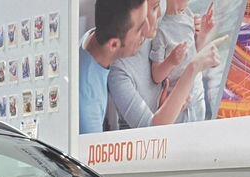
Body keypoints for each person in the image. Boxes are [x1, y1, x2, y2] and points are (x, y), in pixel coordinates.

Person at [109, 0, 220, 129]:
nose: (160, 12)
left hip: (197, 109)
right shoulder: (118, 75)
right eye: (155, 7)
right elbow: (152, 130)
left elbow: (186, 58)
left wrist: (201, 35)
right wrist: (194, 67)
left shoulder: (158, 25)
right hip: (172, 132)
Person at [78, 0, 150, 134]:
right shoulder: (88, 109)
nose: (148, 30)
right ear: (114, 45)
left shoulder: (94, 38)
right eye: (140, 29)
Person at [150, 0, 216, 122]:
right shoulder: (161, 30)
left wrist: (204, 33)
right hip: (179, 107)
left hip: (198, 96)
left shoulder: (189, 15)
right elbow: (156, 76)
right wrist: (171, 61)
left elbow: (194, 54)